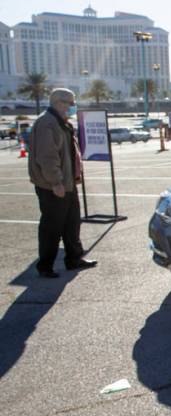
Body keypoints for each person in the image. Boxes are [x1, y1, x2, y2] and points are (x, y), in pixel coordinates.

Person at [28, 88, 97, 278]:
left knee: (72, 222)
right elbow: (47, 157)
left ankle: (74, 258)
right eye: (71, 104)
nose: (73, 108)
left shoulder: (61, 122)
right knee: (52, 227)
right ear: (59, 102)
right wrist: (56, 182)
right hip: (53, 185)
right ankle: (45, 266)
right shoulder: (47, 123)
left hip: (67, 183)